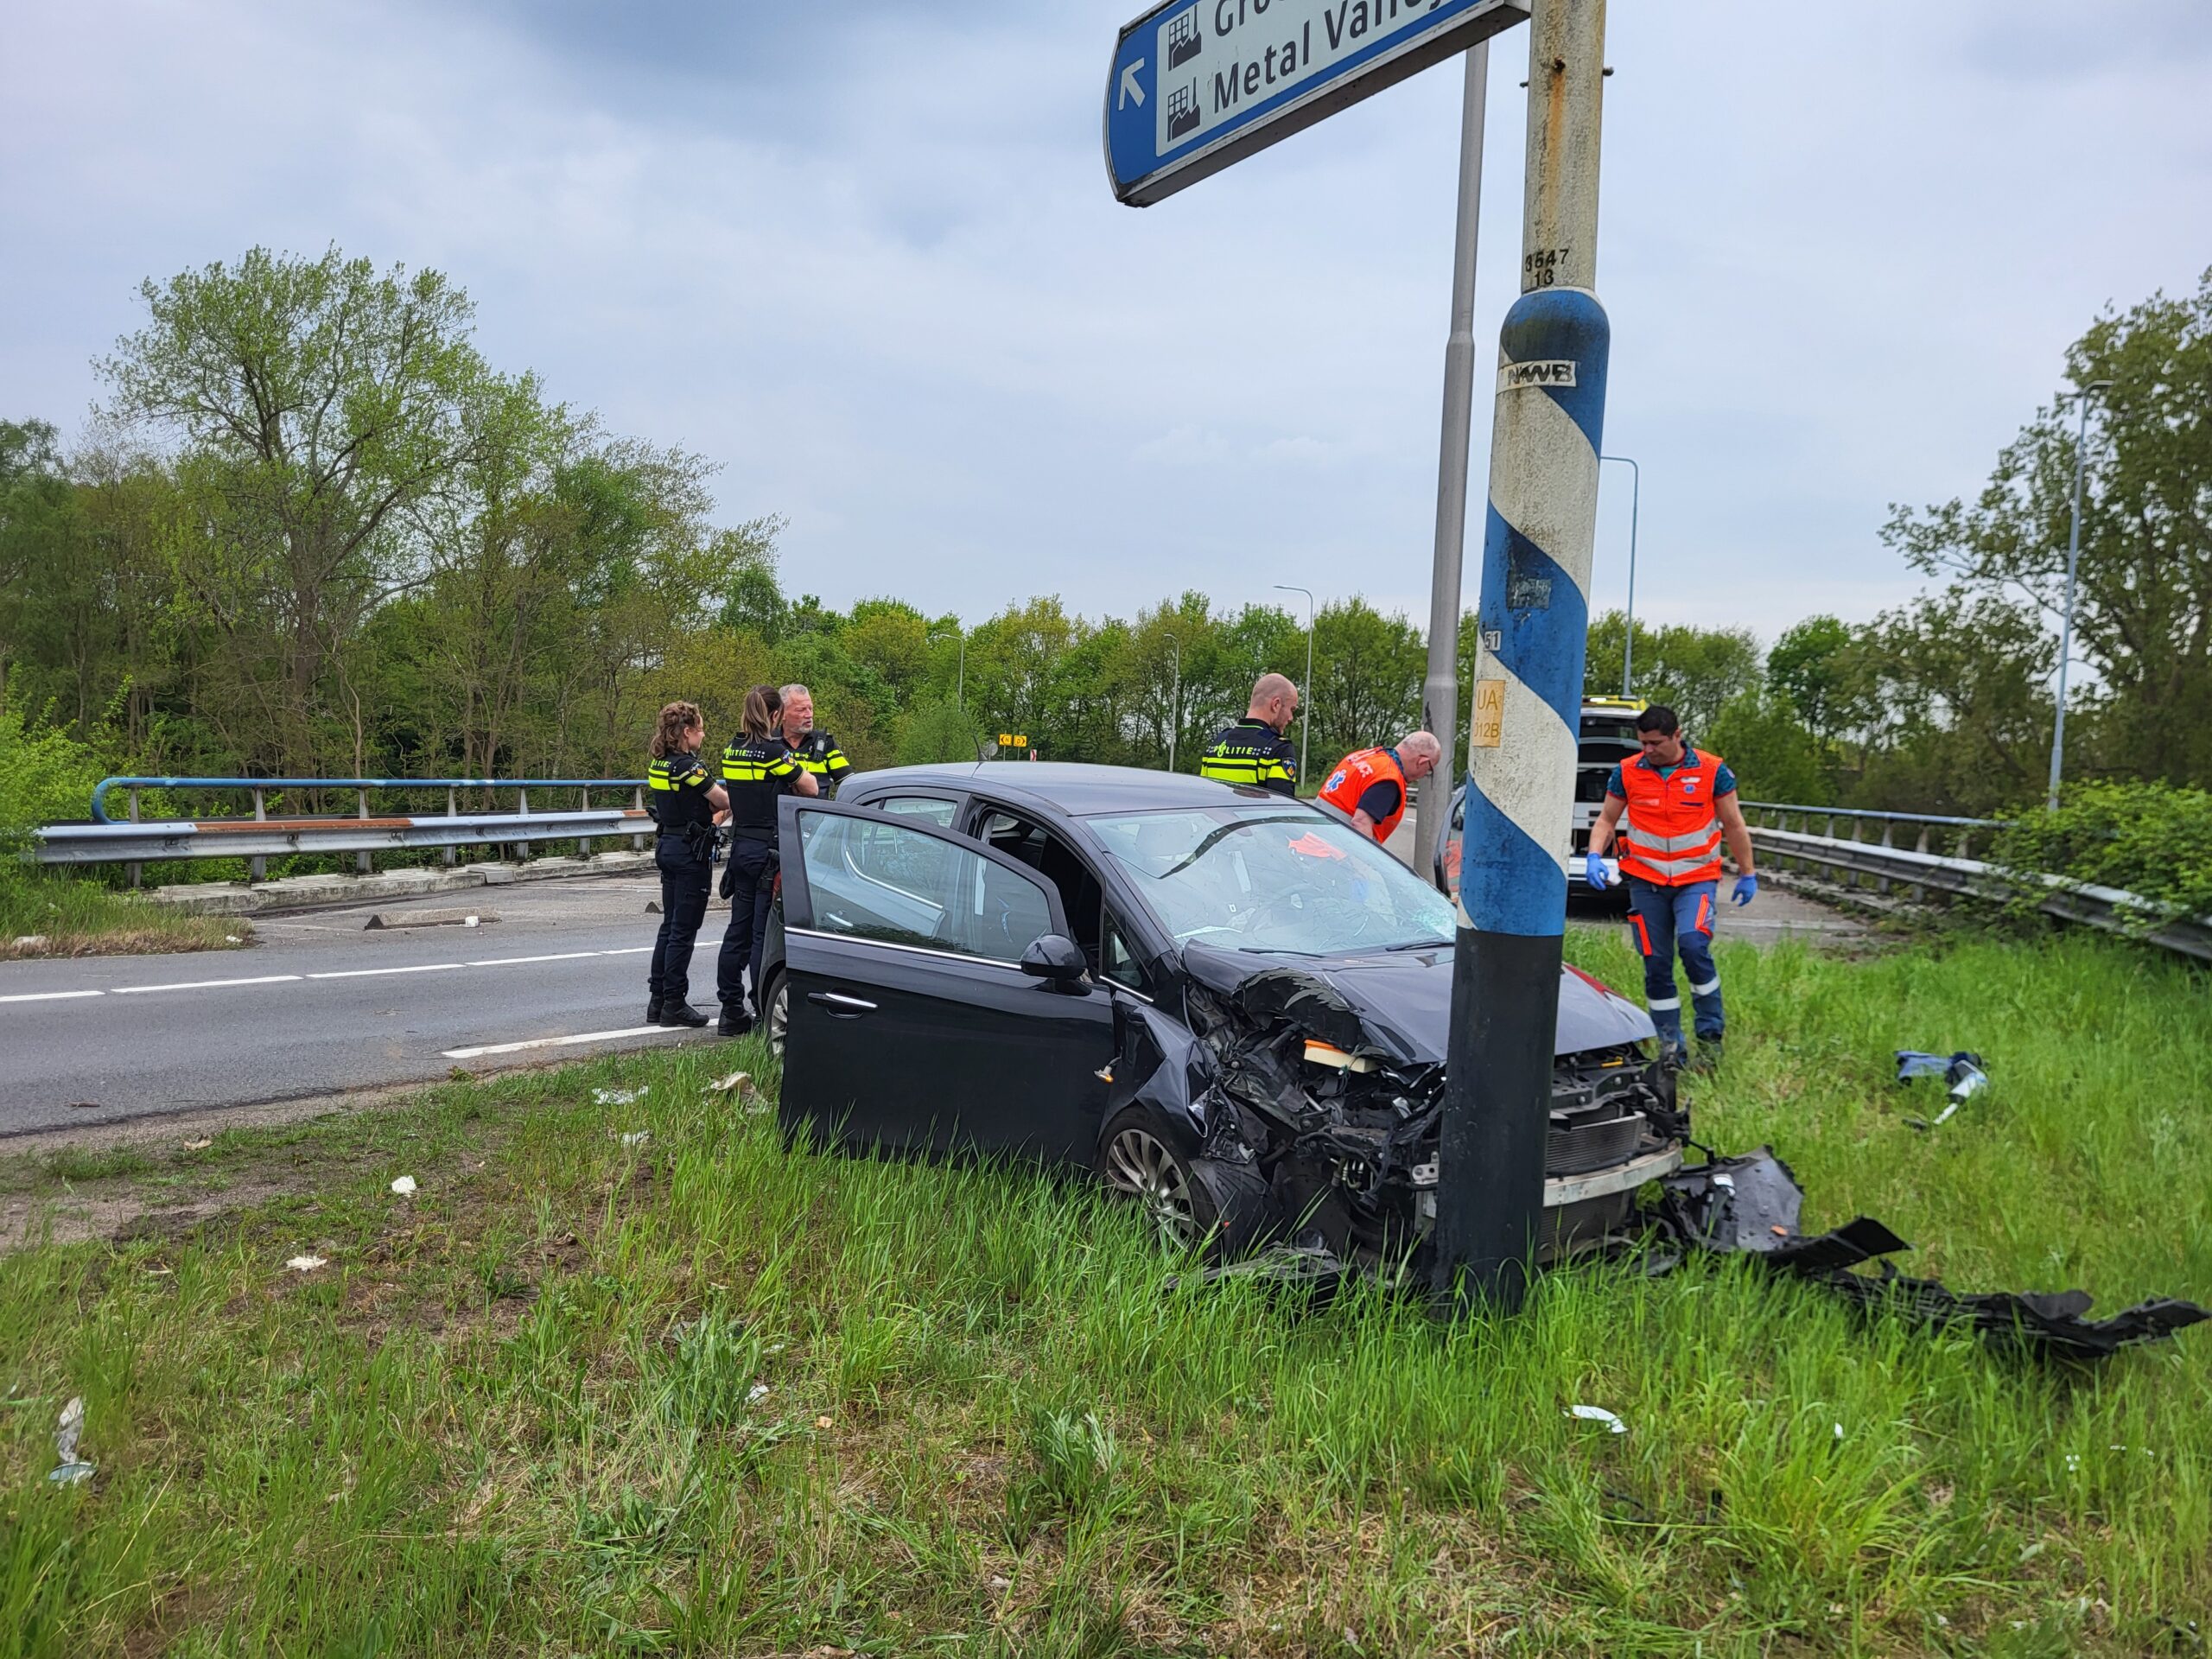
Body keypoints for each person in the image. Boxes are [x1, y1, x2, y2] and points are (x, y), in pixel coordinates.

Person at [1585, 703, 1758, 1071]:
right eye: (1643, 743)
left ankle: (1710, 1042)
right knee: (1657, 963)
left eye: (1656, 743)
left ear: (1677, 735)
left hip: (1695, 879)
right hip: (1646, 882)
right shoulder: (1628, 772)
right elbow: (1607, 819)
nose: (1648, 750)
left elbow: (1734, 824)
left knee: (1695, 947)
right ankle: (1670, 1050)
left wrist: (1748, 871)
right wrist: (1594, 855)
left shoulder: (1712, 771)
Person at [715, 684, 817, 1036]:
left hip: (741, 846)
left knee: (736, 933)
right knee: (762, 935)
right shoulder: (773, 751)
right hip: (768, 850)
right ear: (775, 715)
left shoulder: (732, 749)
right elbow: (810, 788)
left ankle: (730, 1010)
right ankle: (762, 1012)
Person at [644, 701, 727, 1029]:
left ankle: (658, 1000)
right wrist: (720, 808)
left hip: (667, 845)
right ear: (688, 732)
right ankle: (675, 1003)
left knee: (669, 926)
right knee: (684, 930)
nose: (703, 735)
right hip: (690, 852)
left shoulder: (659, 763)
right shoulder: (689, 767)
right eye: (701, 729)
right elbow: (722, 801)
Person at [1317, 731, 1441, 843]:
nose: (1425, 775)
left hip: (1312, 839)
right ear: (1422, 762)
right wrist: (1366, 866)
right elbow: (1361, 823)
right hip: (1332, 853)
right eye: (1429, 770)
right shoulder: (1388, 779)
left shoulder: (1365, 756)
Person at [1197, 672, 1301, 794]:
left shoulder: (1215, 745)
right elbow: (1282, 808)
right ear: (1276, 704)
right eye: (1291, 709)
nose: (1290, 718)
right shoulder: (1278, 749)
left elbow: (1203, 795)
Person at [779, 683, 852, 798]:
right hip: (780, 814)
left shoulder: (824, 743)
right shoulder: (769, 743)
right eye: (801, 710)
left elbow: (850, 784)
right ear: (781, 713)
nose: (809, 715)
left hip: (817, 814)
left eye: (810, 708)